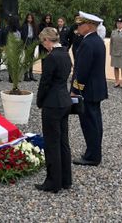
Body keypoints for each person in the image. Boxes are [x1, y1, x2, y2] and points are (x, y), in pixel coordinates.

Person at [35, 27, 72, 192]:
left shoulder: (51, 58)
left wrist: (39, 100)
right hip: (64, 100)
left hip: (52, 103)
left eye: (43, 42)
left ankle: (53, 182)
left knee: (52, 143)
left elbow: (45, 83)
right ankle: (66, 179)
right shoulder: (65, 54)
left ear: (47, 40)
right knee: (63, 142)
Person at [70, 11, 108, 166]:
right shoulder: (97, 41)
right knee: (96, 122)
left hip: (88, 90)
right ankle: (94, 152)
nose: (78, 27)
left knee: (89, 123)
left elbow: (82, 71)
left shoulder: (87, 43)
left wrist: (75, 90)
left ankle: (92, 156)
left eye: (81, 24)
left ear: (90, 26)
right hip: (96, 89)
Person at [21, 13, 38, 81]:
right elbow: (22, 35)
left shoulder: (34, 25)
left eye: (31, 18)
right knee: (26, 59)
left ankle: (31, 75)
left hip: (32, 41)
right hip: (26, 41)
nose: (29, 19)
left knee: (31, 58)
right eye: (28, 18)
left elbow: (36, 34)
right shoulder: (24, 25)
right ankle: (26, 75)